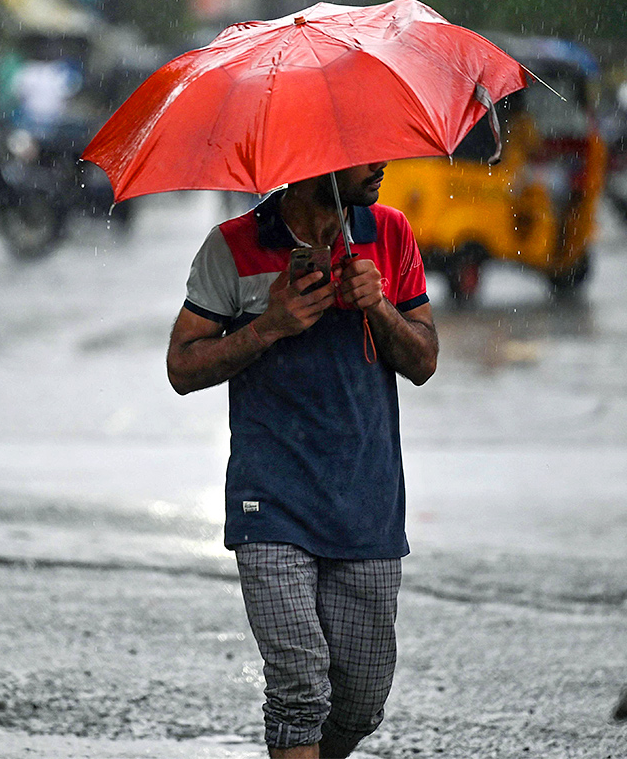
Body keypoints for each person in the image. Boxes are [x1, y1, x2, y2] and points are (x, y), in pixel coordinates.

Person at [166, 163, 438, 758]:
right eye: (364, 150)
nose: (382, 162)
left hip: (367, 505)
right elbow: (182, 367)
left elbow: (423, 362)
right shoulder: (233, 246)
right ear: (322, 159)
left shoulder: (389, 233)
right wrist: (270, 326)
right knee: (299, 692)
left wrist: (379, 306)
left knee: (361, 701)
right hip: (272, 502)